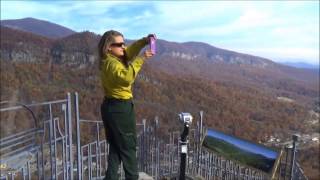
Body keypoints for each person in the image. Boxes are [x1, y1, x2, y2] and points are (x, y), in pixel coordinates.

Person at [98, 30, 155, 180]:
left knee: (116, 147)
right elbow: (126, 78)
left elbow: (129, 52)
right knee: (128, 147)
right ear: (109, 47)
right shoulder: (112, 64)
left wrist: (144, 41)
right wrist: (141, 59)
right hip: (120, 109)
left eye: (124, 43)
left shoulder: (111, 59)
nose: (123, 47)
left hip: (111, 107)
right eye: (119, 44)